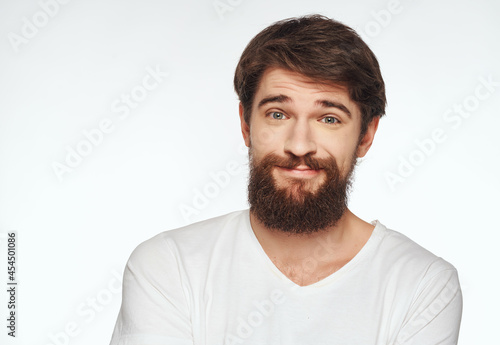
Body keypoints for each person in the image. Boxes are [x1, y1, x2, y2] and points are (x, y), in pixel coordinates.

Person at [110, 14, 462, 345]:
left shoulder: (423, 284)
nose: (299, 145)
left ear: (366, 135)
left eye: (329, 118)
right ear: (247, 124)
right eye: (277, 114)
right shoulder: (169, 266)